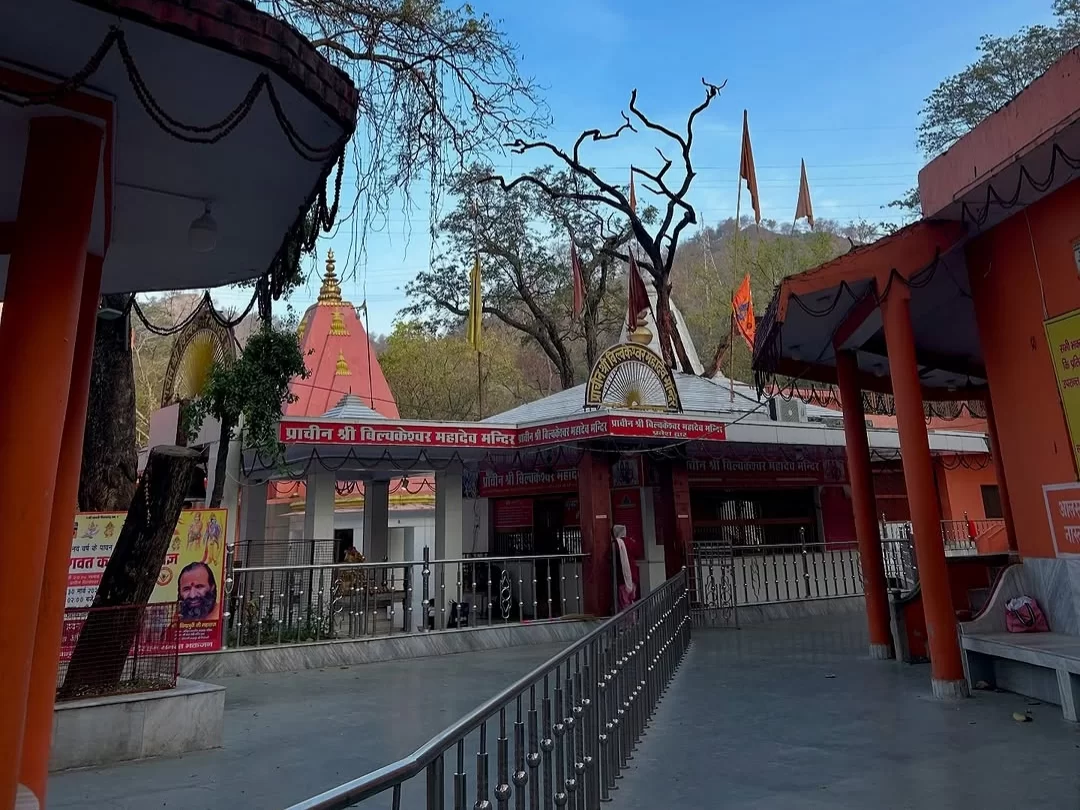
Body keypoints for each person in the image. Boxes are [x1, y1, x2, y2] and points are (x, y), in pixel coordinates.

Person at [612, 524, 640, 610]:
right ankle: (633, 621)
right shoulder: (631, 542)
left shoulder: (616, 544)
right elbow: (637, 554)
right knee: (631, 600)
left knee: (624, 602)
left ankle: (627, 622)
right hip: (633, 577)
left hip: (622, 577)